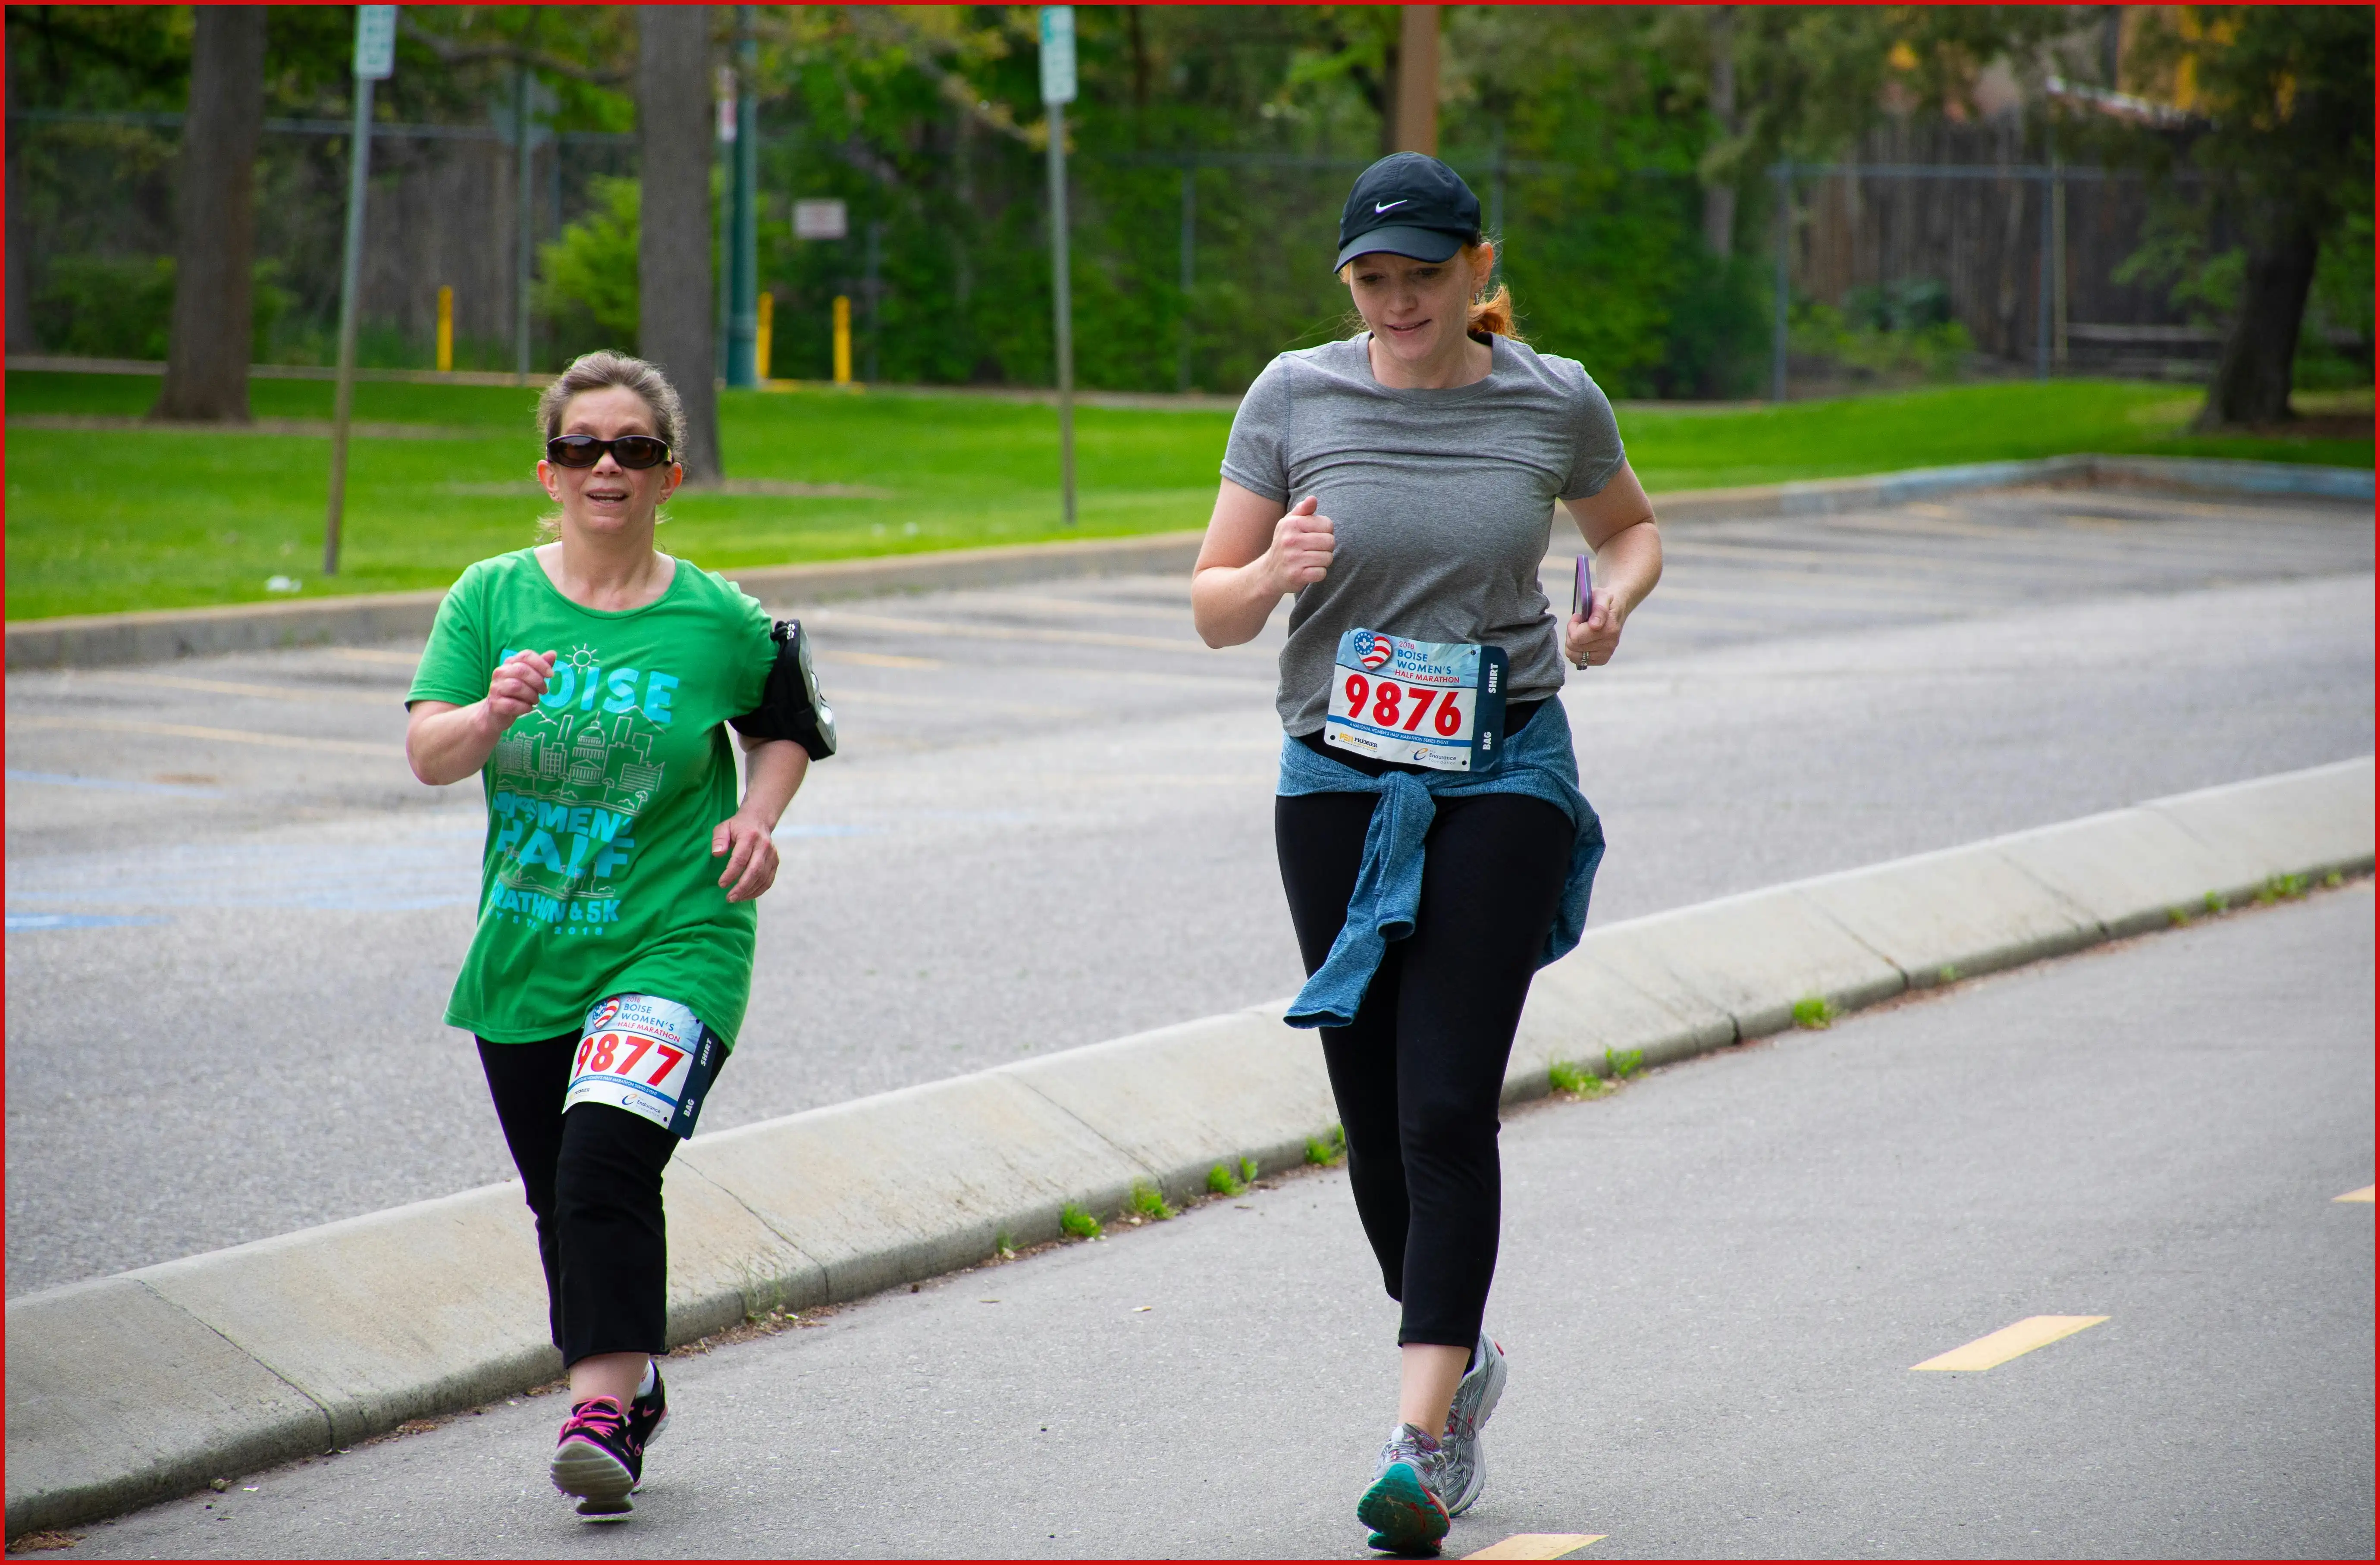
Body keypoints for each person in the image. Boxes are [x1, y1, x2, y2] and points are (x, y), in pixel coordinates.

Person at [1190, 154, 1663, 1555]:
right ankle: (1458, 1358)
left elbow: (1628, 529)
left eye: (1423, 275)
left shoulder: (1550, 398)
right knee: (1371, 1105)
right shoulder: (1292, 395)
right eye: (1371, 280)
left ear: (1478, 270)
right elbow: (1212, 607)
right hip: (1334, 770)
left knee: (1445, 1100)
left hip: (1503, 761)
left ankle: (1419, 1433)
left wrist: (1604, 602)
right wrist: (1270, 574)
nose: (1398, 302)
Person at [404, 351, 831, 1519]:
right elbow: (427, 750)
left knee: (602, 1158)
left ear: (669, 473)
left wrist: (755, 812)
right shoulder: (490, 597)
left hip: (677, 938)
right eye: (584, 447)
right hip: (530, 944)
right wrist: (489, 711)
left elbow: (784, 725)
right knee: (561, 1195)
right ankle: (630, 1380)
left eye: (633, 449)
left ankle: (596, 1416)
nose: (609, 465)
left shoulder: (717, 617)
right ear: (547, 472)